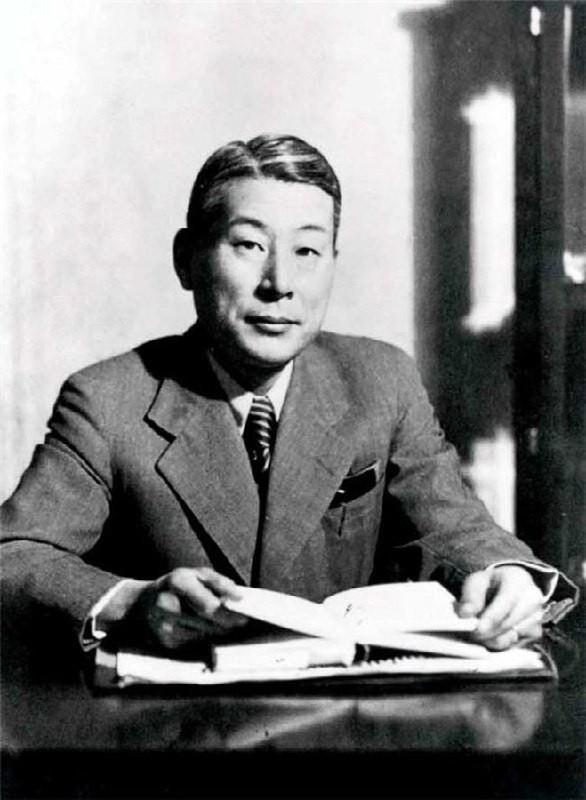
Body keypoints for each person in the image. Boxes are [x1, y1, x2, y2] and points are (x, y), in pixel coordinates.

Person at [0, 134, 577, 656]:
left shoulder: (380, 380)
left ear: (332, 265)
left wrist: (506, 577)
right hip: (175, 725)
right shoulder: (108, 401)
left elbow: (452, 527)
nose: (280, 284)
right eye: (249, 245)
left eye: (307, 252)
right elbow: (14, 554)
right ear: (186, 260)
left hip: (340, 721)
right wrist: (132, 602)